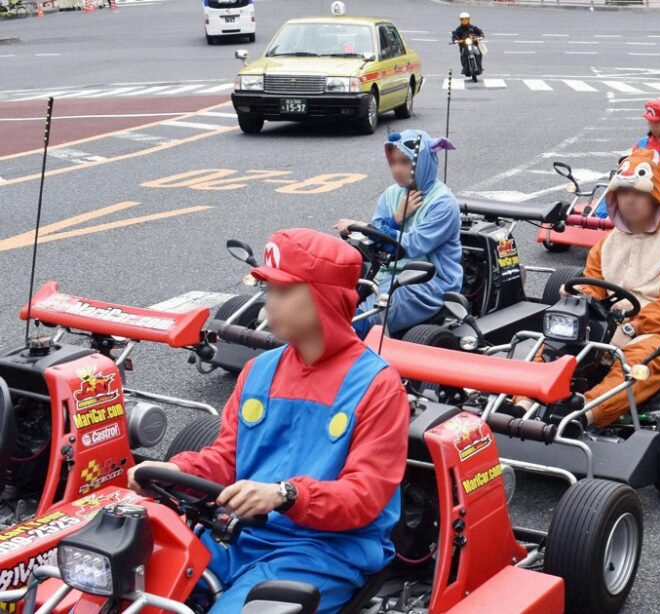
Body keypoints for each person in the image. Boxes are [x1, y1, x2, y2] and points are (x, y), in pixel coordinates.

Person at [129, 228, 410, 613]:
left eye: (281, 292)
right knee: (125, 583)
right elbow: (226, 459)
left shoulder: (377, 386)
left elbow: (364, 497)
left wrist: (286, 495)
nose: (267, 304)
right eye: (268, 290)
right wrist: (171, 469)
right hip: (237, 534)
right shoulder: (258, 372)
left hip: (322, 551)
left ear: (323, 298)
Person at [540, 149, 660, 430]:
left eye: (638, 193)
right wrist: (578, 298)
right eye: (624, 192)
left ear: (655, 196)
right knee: (552, 346)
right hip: (611, 323)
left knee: (630, 363)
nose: (630, 199)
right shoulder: (605, 244)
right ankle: (523, 402)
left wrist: (632, 327)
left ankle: (585, 415)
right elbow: (594, 290)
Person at [334, 130, 462, 339]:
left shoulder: (443, 203)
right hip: (387, 273)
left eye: (404, 162)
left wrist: (364, 225)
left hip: (429, 282)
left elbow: (409, 246)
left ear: (422, 163)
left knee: (363, 319)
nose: (396, 169)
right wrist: (396, 219)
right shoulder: (391, 194)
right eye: (393, 162)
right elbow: (376, 238)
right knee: (333, 299)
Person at [451, 12, 485, 78]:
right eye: (462, 20)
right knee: (463, 55)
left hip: (474, 45)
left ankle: (479, 68)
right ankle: (465, 69)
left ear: (469, 20)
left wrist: (479, 37)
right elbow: (454, 36)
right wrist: (456, 40)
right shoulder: (459, 29)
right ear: (460, 20)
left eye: (466, 19)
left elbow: (480, 33)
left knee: (479, 54)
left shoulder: (473, 28)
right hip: (464, 46)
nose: (464, 21)